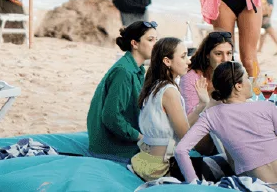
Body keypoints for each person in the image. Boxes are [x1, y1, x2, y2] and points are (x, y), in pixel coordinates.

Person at [175, 61, 277, 186]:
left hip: (261, 186)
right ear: (238, 86)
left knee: (232, 160)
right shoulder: (267, 107)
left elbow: (180, 150)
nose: (250, 82)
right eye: (247, 78)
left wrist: (195, 185)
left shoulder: (211, 115)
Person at [131, 37, 211, 181]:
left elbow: (179, 125)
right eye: (183, 56)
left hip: (147, 161)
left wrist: (201, 105)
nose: (189, 61)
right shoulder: (169, 92)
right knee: (224, 165)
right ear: (167, 61)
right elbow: (185, 136)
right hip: (162, 168)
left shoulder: (155, 86)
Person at [87, 20, 158, 160]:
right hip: (112, 147)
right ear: (135, 43)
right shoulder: (124, 72)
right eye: (150, 40)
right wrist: (140, 138)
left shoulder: (136, 69)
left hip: (121, 140)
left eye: (157, 40)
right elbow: (111, 116)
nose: (156, 45)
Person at [180, 30, 234, 116]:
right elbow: (190, 117)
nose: (225, 59)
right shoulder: (191, 78)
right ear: (207, 55)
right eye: (218, 54)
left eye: (229, 53)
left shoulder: (233, 74)